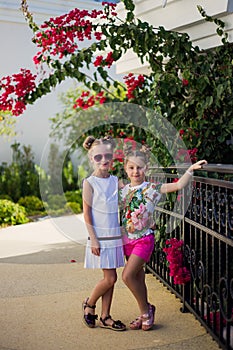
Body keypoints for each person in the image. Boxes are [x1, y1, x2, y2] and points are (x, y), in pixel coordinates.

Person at [119, 144, 207, 331]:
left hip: (144, 240)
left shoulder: (153, 188)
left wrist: (190, 169)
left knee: (127, 276)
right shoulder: (123, 190)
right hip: (127, 241)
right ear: (126, 170)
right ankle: (146, 309)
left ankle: (146, 311)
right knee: (138, 279)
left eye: (139, 167)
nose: (136, 171)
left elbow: (178, 185)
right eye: (131, 167)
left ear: (146, 169)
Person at [82, 135, 126, 331]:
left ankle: (106, 316)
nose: (104, 160)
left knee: (112, 277)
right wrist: (93, 239)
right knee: (110, 278)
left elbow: (132, 193)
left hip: (114, 236)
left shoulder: (116, 181)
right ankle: (89, 304)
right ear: (91, 158)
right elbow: (87, 215)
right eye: (98, 157)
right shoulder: (89, 183)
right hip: (100, 237)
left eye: (107, 155)